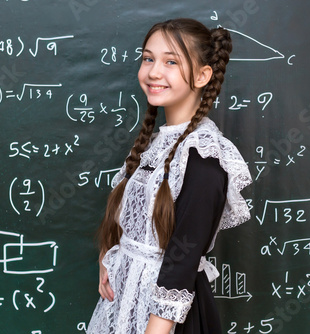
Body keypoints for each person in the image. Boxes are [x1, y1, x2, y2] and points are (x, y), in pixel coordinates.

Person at [87, 18, 252, 334]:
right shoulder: (157, 142)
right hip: (125, 301)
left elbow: (181, 261)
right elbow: (136, 219)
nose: (153, 72)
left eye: (171, 62)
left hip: (167, 317)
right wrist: (109, 259)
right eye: (148, 58)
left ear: (203, 75)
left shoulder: (204, 156)